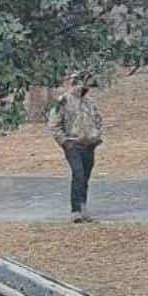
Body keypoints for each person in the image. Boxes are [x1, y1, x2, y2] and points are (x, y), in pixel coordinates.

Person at [47, 82, 103, 222]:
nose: (83, 86)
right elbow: (54, 124)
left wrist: (96, 135)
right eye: (79, 82)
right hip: (73, 145)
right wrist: (65, 142)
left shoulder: (89, 102)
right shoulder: (64, 101)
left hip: (89, 145)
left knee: (85, 177)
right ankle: (75, 210)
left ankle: (83, 208)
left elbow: (98, 120)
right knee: (78, 174)